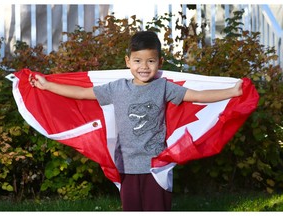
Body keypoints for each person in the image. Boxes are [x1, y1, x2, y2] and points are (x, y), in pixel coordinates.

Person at [29, 31, 243, 211]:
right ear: (128, 61)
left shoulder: (164, 87)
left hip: (156, 166)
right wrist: (47, 86)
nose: (144, 66)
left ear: (159, 62)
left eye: (150, 61)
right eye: (138, 60)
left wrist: (232, 92)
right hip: (126, 166)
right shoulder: (117, 88)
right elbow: (82, 93)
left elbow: (197, 96)